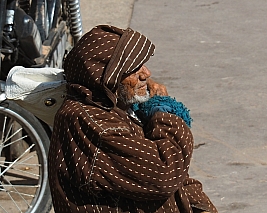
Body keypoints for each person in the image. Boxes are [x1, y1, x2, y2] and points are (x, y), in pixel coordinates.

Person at [48, 25, 218, 213]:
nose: (146, 74)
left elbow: (179, 181)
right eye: (134, 68)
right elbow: (166, 172)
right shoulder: (89, 122)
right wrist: (164, 113)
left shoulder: (113, 107)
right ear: (106, 76)